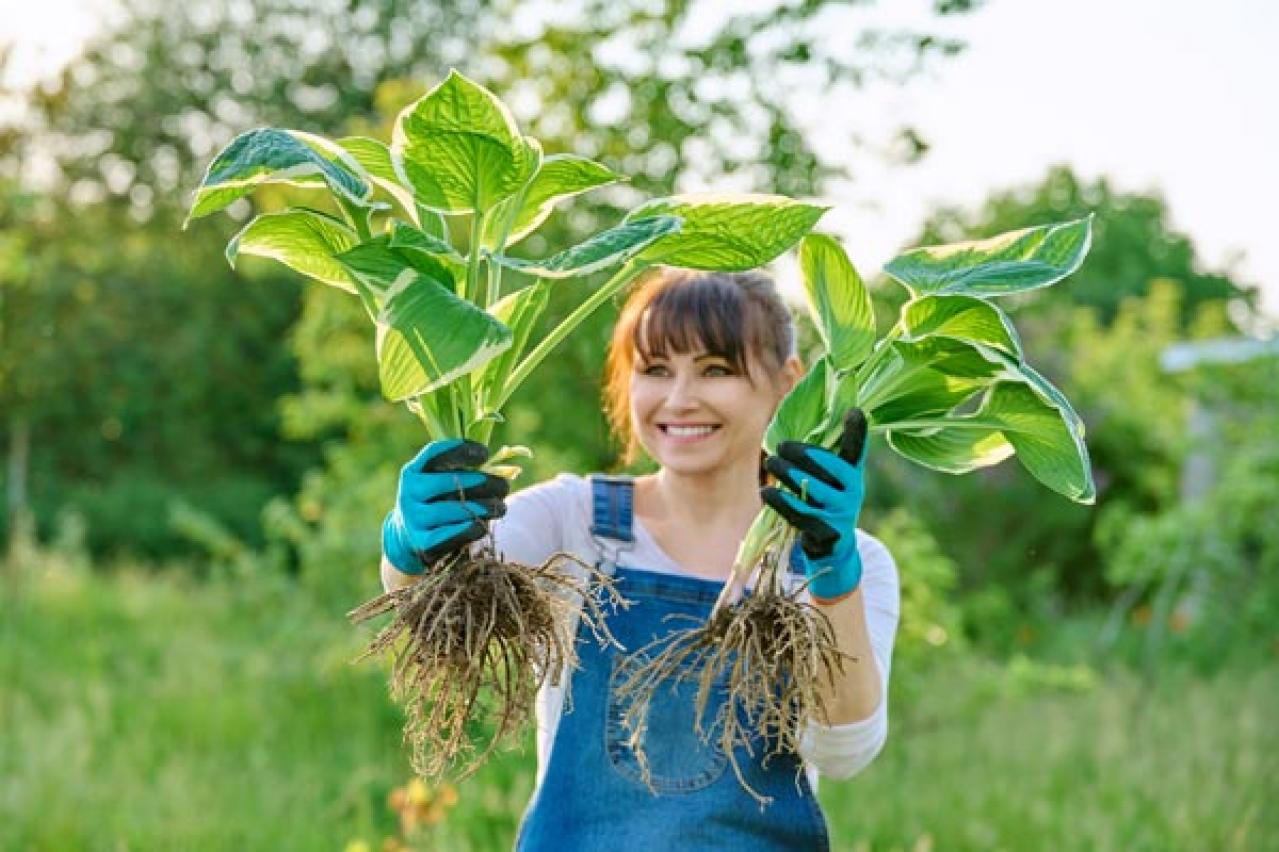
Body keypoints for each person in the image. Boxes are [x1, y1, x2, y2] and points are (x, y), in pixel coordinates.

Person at [379, 268, 901, 850]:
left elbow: (845, 748)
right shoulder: (573, 522)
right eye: (655, 369)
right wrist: (409, 543)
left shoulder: (849, 565)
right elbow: (431, 596)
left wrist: (832, 576)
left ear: (787, 383)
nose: (679, 399)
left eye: (716, 369)